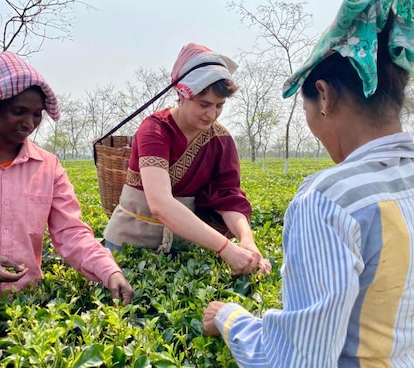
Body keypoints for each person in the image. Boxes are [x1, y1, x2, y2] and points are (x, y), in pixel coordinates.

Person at [203, 0, 414, 366]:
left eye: (305, 110)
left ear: (325, 96)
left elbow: (298, 359)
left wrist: (230, 318)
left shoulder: (328, 201)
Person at [0, 51, 134, 311]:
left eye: (37, 114)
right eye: (19, 111)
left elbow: (71, 232)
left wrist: (109, 272)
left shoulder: (48, 167)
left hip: (22, 311)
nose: (29, 123)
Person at [103, 42, 271, 276]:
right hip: (130, 243)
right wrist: (225, 248)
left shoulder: (220, 140)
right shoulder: (155, 130)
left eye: (219, 106)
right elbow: (160, 203)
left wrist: (246, 241)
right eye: (204, 105)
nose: (211, 114)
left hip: (182, 248)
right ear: (183, 94)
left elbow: (228, 198)